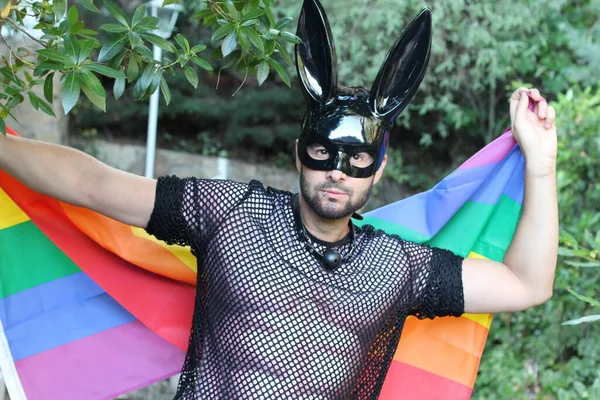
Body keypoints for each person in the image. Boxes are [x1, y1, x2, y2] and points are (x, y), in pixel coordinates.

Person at [0, 0, 557, 398]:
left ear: (378, 168)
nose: (337, 172)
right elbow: (91, 185)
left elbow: (527, 284)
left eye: (356, 159)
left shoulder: (396, 270)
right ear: (299, 153)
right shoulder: (232, 213)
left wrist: (542, 162)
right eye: (323, 153)